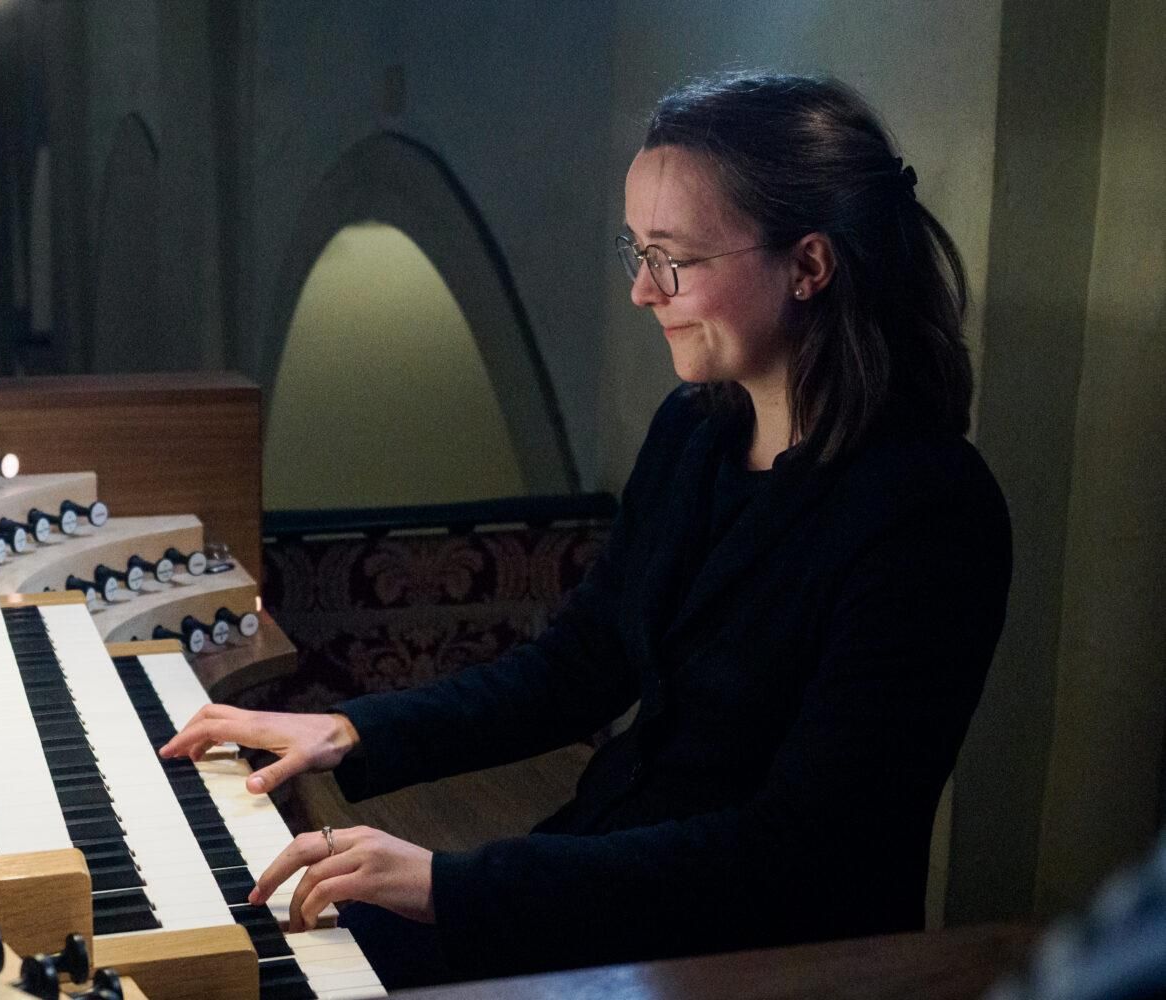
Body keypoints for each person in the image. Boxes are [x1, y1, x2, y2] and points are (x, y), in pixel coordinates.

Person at [160, 72, 1012, 988]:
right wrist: (347, 732)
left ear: (808, 266)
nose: (643, 291)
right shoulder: (696, 431)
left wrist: (451, 883)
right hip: (604, 884)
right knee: (266, 945)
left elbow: (799, 851)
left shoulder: (926, 512)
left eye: (672, 259)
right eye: (635, 251)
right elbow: (580, 664)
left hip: (757, 959)